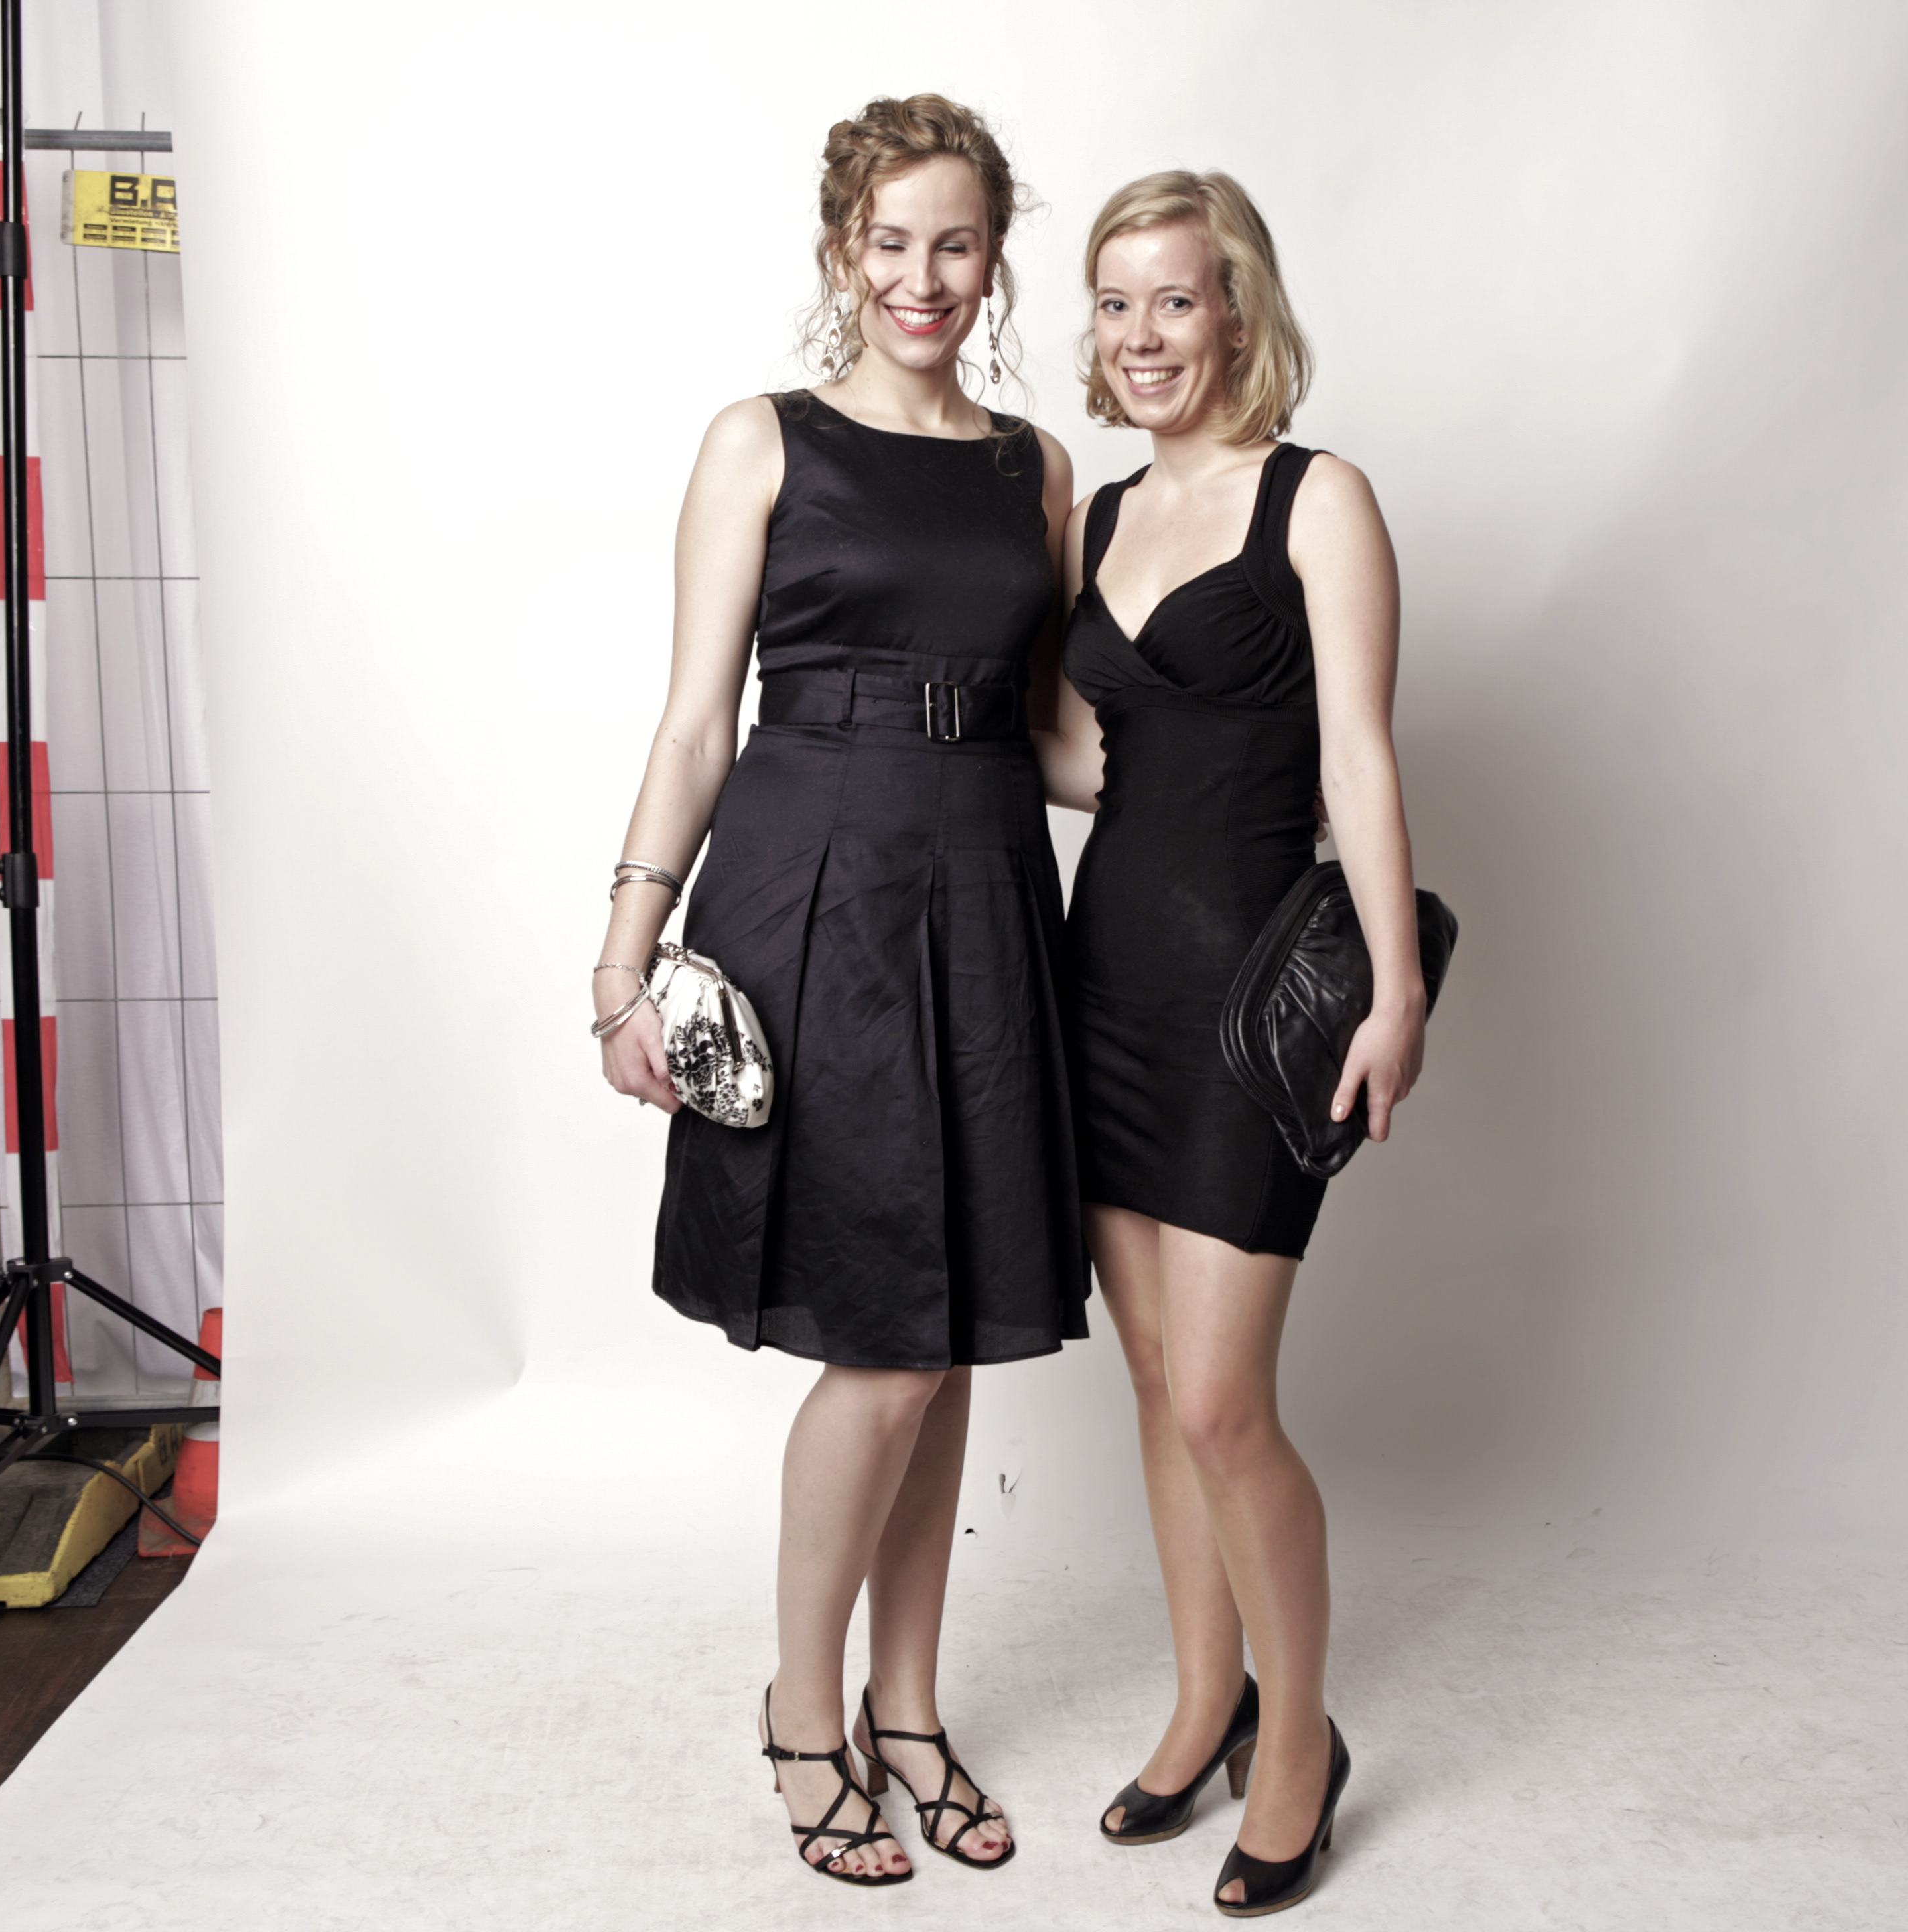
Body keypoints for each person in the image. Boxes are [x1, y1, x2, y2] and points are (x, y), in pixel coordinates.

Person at [592, 94, 1083, 1887]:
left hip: (988, 895)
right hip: (815, 901)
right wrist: (625, 954)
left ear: (995, 256)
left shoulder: (1035, 469)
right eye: (891, 243)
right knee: (884, 1349)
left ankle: (910, 1709)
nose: (923, 277)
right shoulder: (764, 442)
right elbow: (694, 723)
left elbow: (1057, 737)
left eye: (956, 243)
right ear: (841, 252)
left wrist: (1259, 776)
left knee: (944, 1346)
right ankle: (805, 1714)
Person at [1036, 171, 1426, 1917]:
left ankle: (1299, 1742)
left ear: (1239, 311)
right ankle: (1207, 1701)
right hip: (1102, 978)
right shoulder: (1099, 513)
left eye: (1174, 300)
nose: (1140, 336)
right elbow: (1087, 755)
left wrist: (1398, 986)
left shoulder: (1319, 498)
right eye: (1115, 302)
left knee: (1219, 1397)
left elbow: (1359, 753)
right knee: (1150, 1385)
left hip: (1256, 1000)